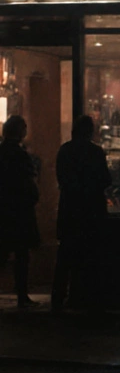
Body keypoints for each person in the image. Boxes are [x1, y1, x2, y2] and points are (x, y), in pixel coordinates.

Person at [52, 115, 113, 314]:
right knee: (90, 256)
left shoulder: (64, 150)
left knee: (65, 257)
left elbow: (61, 177)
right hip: (91, 211)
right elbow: (105, 179)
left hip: (70, 209)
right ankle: (87, 297)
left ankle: (58, 298)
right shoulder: (95, 152)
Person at [0, 115, 41, 308]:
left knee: (3, 252)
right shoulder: (21, 155)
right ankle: (21, 295)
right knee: (21, 255)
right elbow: (28, 183)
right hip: (19, 211)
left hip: (4, 210)